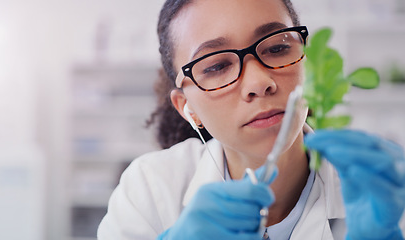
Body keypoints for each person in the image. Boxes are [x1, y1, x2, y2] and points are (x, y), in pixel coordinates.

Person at [97, 0, 405, 239]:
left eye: (277, 48)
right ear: (187, 107)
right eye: (217, 66)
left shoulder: (381, 189)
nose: (260, 82)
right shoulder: (149, 189)